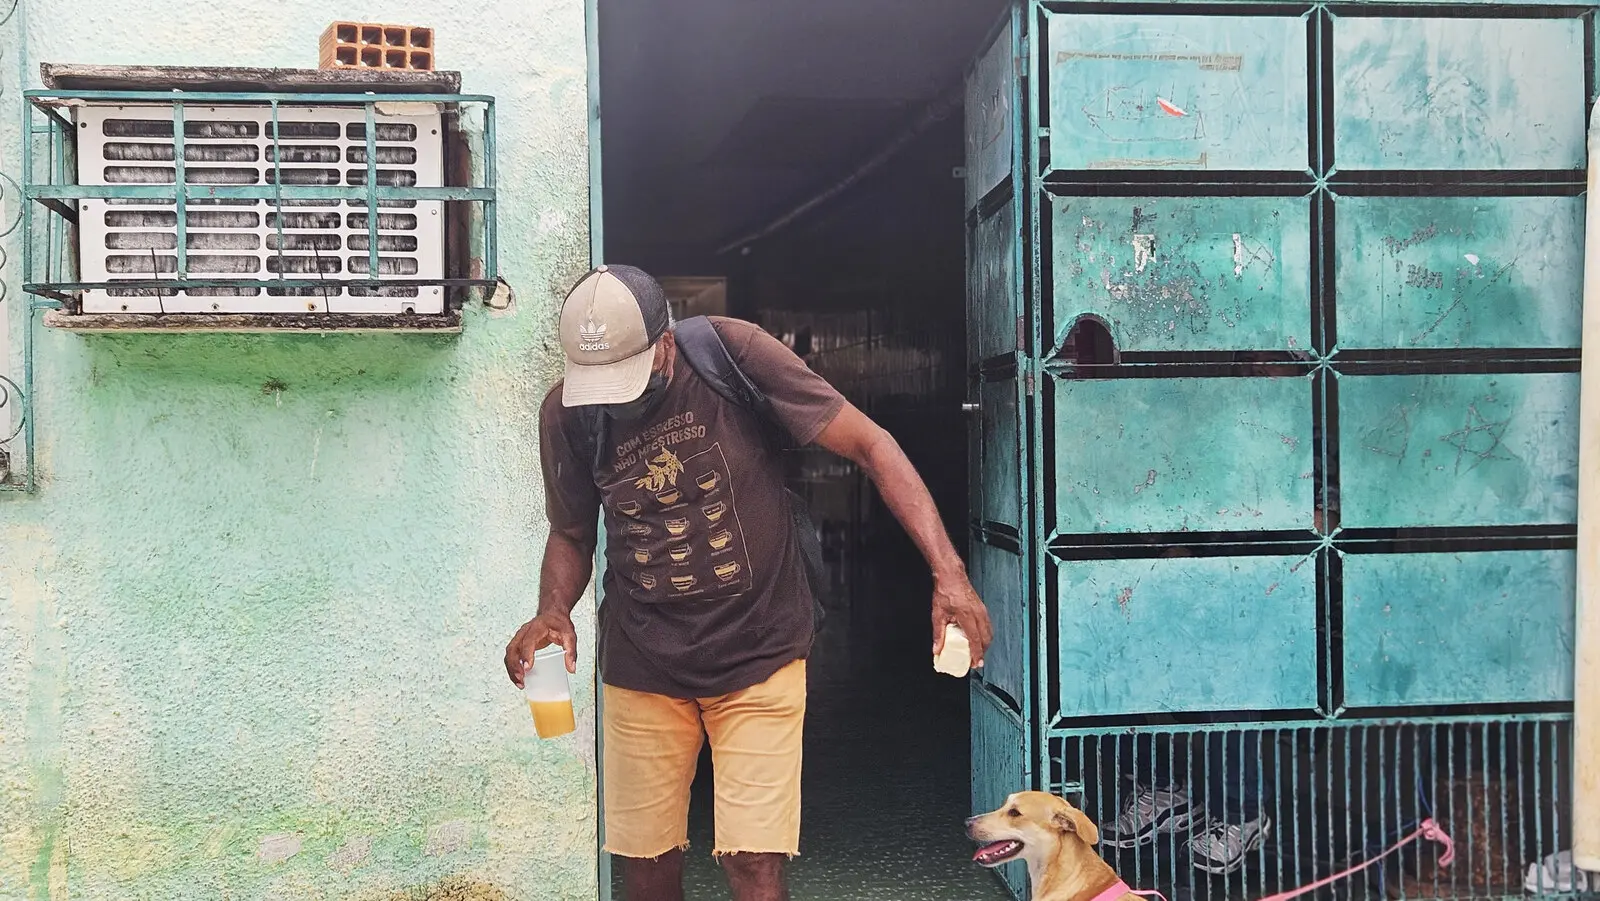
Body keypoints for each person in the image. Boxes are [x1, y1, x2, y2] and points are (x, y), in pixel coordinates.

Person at [504, 265, 993, 901]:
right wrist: (551, 610)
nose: (612, 399)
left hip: (761, 651)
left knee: (754, 863)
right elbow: (571, 532)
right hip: (643, 661)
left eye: (627, 376)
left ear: (666, 345)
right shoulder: (569, 416)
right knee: (646, 869)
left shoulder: (731, 355)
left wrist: (949, 575)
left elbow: (872, 446)